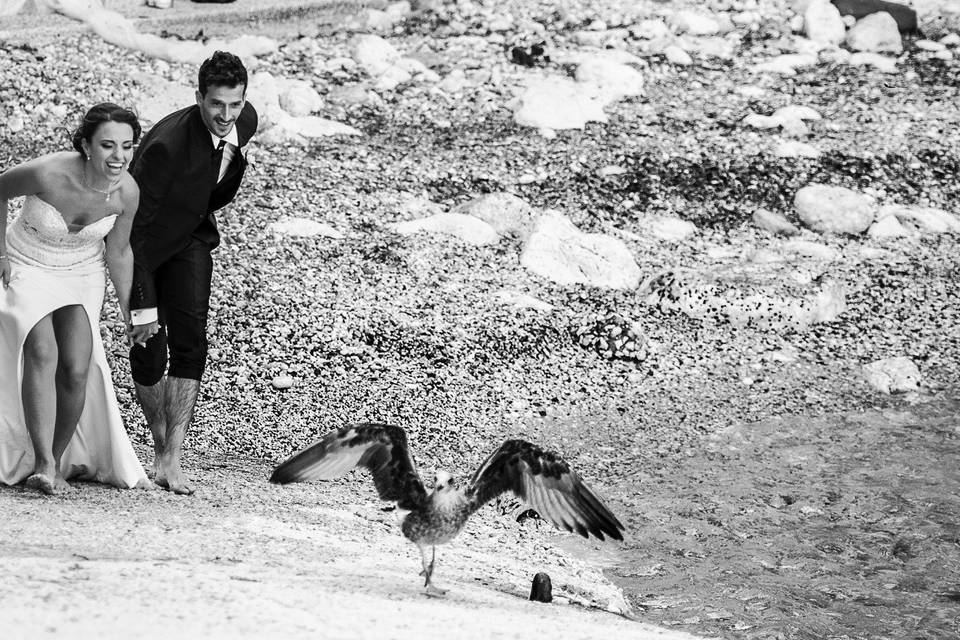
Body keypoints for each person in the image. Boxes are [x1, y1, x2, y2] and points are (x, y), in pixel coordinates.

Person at [0, 103, 155, 494]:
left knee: (76, 367)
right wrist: (0, 254)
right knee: (43, 351)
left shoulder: (128, 193)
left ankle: (56, 459)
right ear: (86, 145)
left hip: (80, 271)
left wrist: (133, 314)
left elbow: (118, 254)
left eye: (127, 146)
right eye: (107, 145)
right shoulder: (48, 172)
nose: (118, 156)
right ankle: (44, 461)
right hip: (28, 262)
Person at [128, 50, 258, 495]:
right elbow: (135, 230)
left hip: (193, 238)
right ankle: (159, 439)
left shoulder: (245, 119)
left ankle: (170, 459)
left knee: (192, 340)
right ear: (198, 97)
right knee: (149, 346)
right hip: (144, 246)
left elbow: (221, 173)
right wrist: (141, 301)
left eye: (234, 104)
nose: (225, 115)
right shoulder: (165, 149)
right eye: (216, 104)